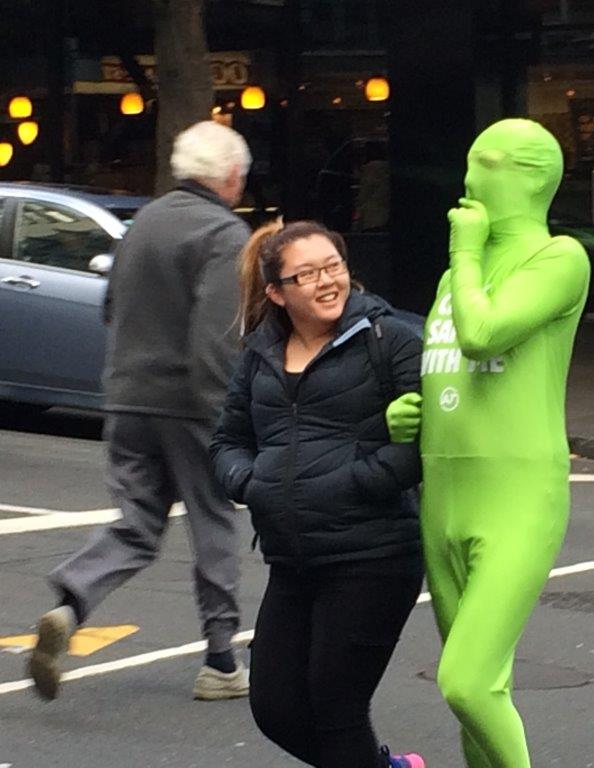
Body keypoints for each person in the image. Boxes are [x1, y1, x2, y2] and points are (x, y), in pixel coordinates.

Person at [385, 118, 590, 768]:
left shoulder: (559, 259)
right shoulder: (455, 279)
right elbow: (451, 367)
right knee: (477, 697)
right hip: (444, 496)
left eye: (485, 163)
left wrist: (465, 253)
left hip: (516, 497)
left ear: (530, 177)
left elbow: (483, 334)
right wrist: (410, 414)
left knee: (466, 679)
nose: (468, 179)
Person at [30, 121, 252, 701]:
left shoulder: (143, 223)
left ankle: (71, 604)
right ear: (229, 177)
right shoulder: (225, 234)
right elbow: (217, 335)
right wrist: (226, 416)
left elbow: (111, 306)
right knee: (213, 521)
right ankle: (221, 660)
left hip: (127, 396)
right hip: (188, 403)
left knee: (137, 522)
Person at [210, 220, 425, 768]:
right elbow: (227, 441)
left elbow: (427, 444)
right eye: (307, 275)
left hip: (372, 553)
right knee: (275, 708)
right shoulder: (260, 355)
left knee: (336, 706)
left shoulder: (391, 339)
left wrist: (359, 482)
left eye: (334, 267)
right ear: (277, 293)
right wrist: (250, 482)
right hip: (293, 557)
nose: (327, 282)